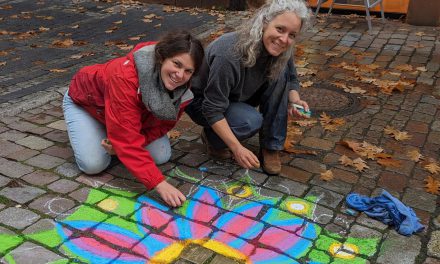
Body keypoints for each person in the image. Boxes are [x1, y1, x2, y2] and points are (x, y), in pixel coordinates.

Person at [63, 31, 204, 207]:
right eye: (176, 64)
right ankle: (110, 133)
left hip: (124, 114)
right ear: (162, 58)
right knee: (93, 165)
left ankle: (116, 136)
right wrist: (160, 184)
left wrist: (124, 144)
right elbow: (128, 141)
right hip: (87, 104)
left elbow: (163, 126)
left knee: (161, 156)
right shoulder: (124, 77)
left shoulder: (182, 91)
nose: (180, 75)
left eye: (188, 71)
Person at [185, 0, 311, 175]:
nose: (284, 39)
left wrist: (295, 100)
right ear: (264, 22)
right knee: (249, 122)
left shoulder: (281, 47)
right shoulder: (229, 53)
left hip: (237, 97)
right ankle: (213, 138)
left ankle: (270, 146)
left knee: (280, 73)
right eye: (280, 29)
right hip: (204, 102)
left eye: (292, 35)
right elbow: (212, 108)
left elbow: (291, 78)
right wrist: (237, 148)